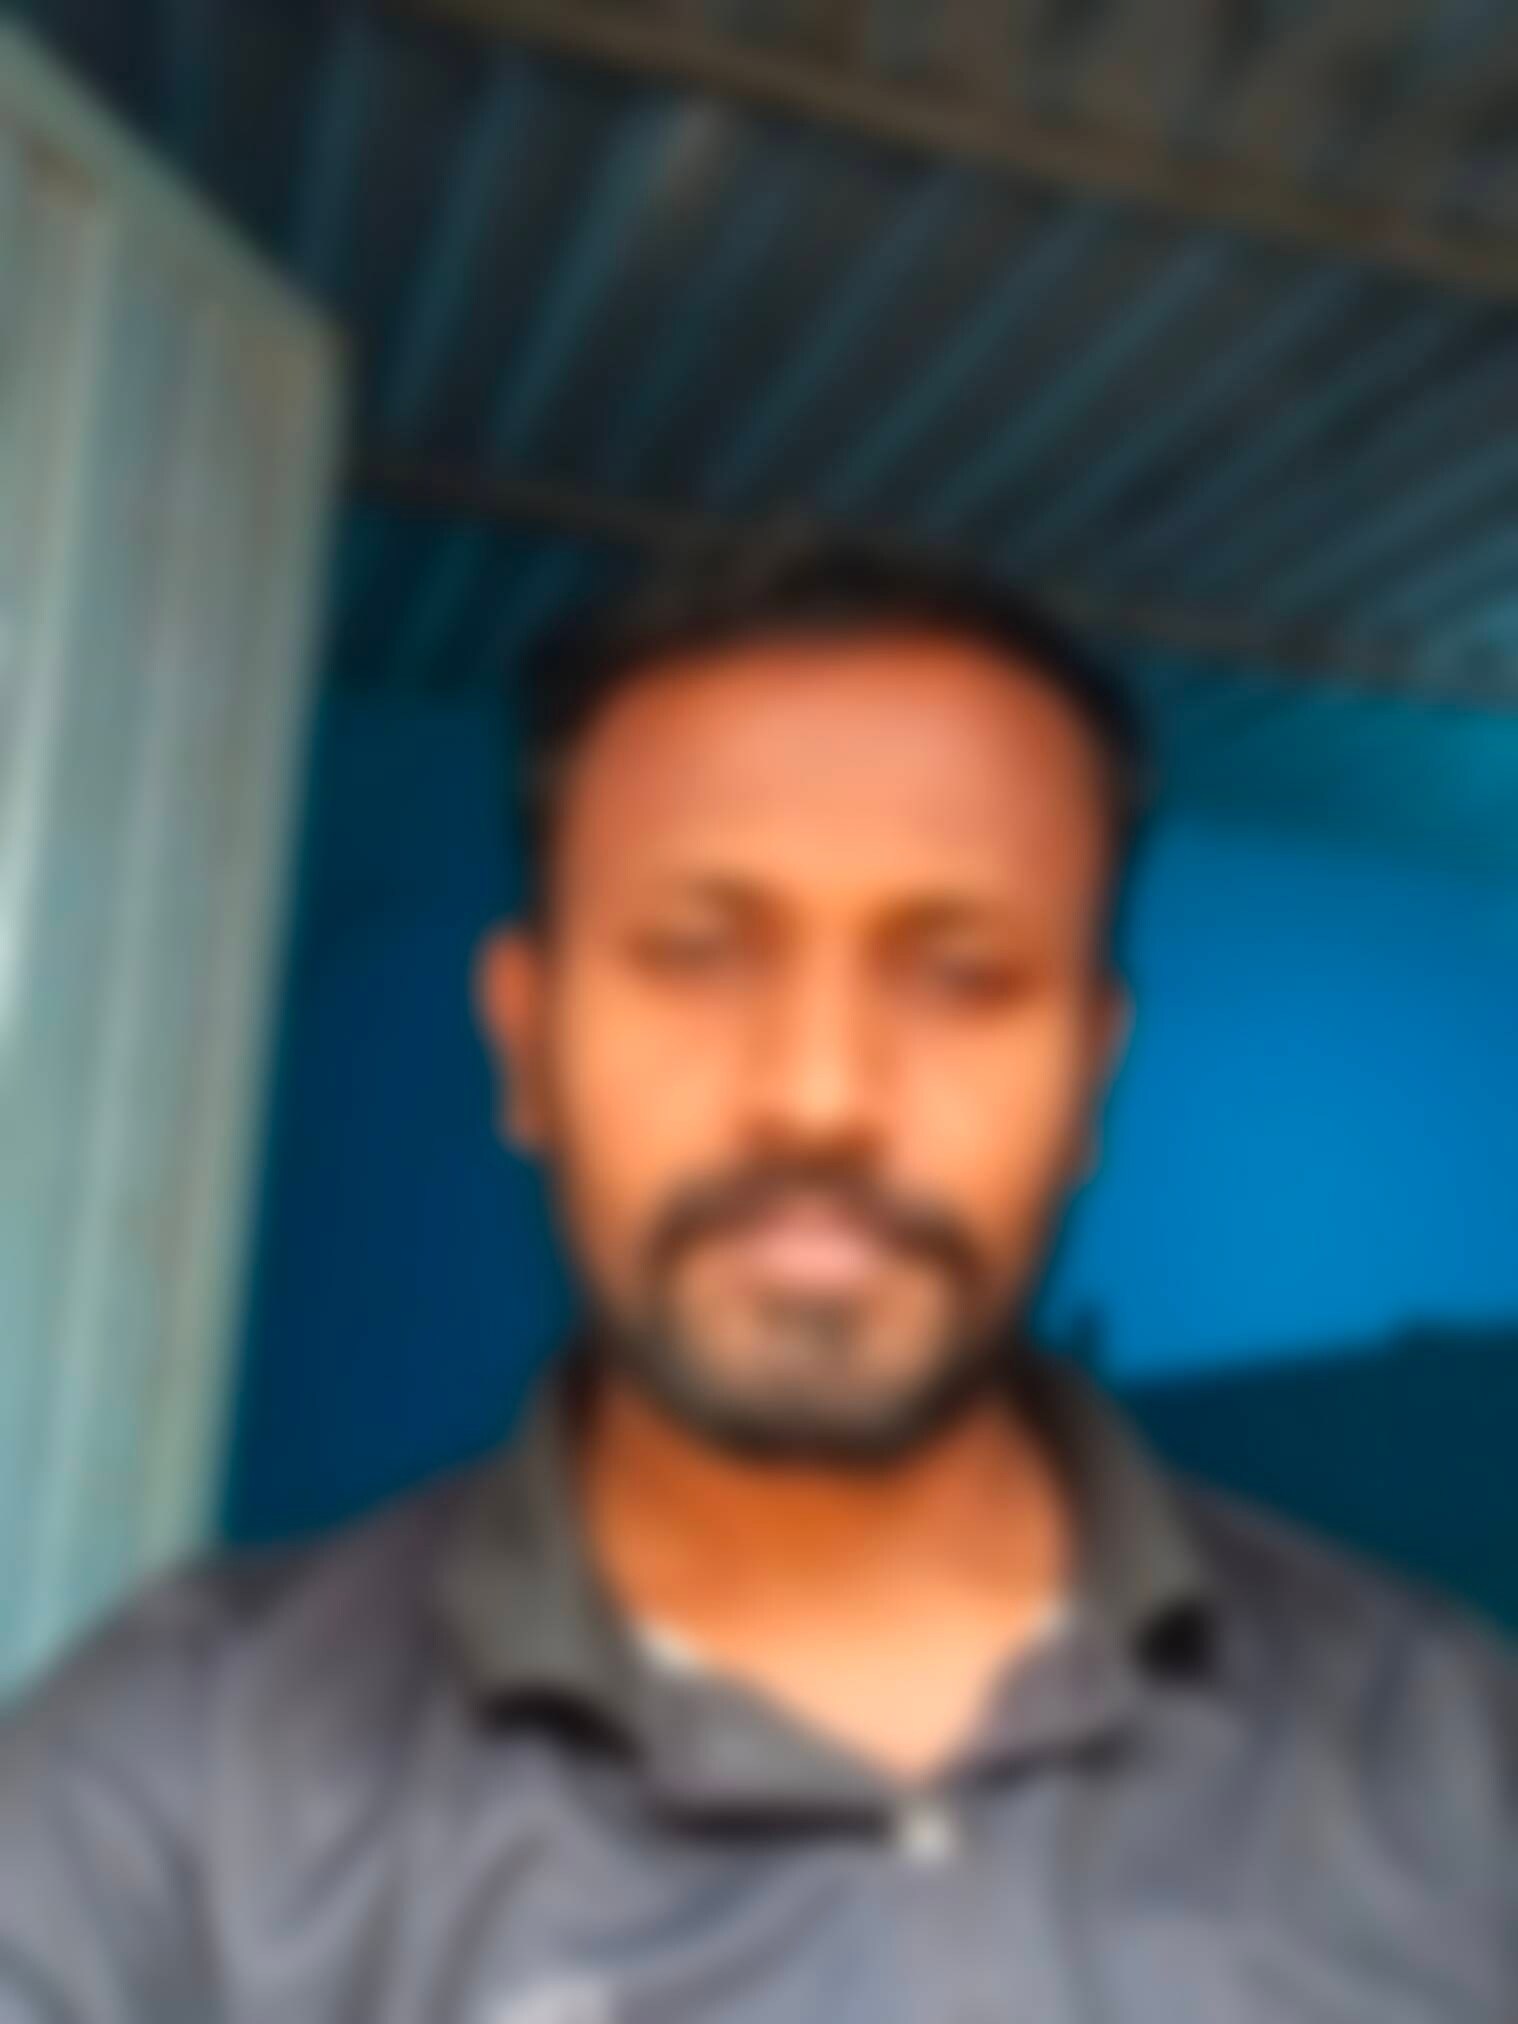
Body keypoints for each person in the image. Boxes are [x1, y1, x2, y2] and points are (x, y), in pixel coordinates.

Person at [1, 531, 1512, 2022]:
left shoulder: (1457, 1769)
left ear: (1089, 1078)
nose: (817, 1096)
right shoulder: (169, 1803)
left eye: (961, 974)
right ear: (526, 1043)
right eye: (694, 952)